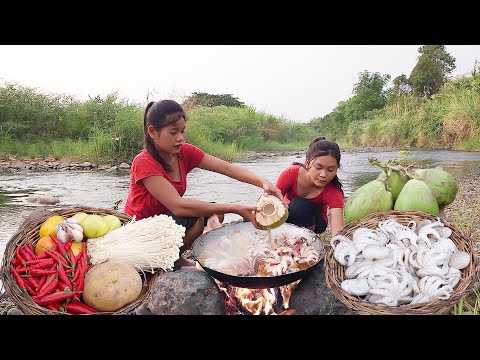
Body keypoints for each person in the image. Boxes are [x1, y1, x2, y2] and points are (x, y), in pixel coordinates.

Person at [124, 100, 283, 268]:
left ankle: (176, 257)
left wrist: (262, 182)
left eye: (182, 131)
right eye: (173, 132)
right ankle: (170, 260)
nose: (180, 138)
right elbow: (178, 206)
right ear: (152, 132)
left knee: (215, 215)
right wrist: (235, 208)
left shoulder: (184, 152)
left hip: (165, 220)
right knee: (195, 218)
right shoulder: (143, 162)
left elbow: (226, 167)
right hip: (140, 231)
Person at [275, 136, 345, 236]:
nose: (323, 175)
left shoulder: (334, 192)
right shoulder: (291, 173)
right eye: (318, 167)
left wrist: (339, 247)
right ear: (308, 163)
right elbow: (273, 200)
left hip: (316, 222)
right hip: (287, 214)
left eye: (330, 170)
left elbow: (337, 228)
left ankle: (306, 239)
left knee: (299, 206)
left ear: (337, 168)